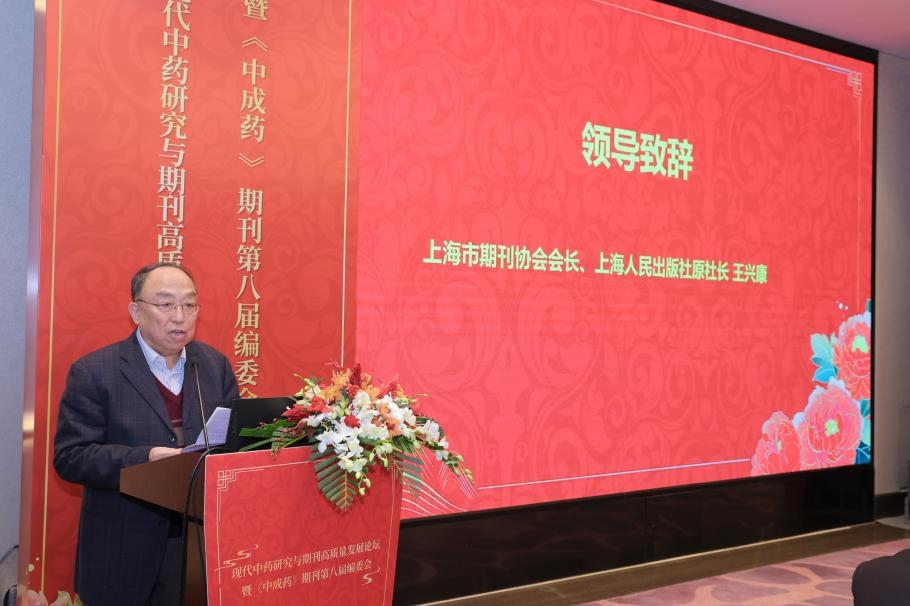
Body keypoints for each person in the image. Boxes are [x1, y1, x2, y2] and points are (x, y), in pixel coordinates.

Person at [53, 262, 239, 606]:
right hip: (122, 551)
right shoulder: (95, 371)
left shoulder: (215, 366)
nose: (179, 317)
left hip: (197, 547)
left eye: (189, 304)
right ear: (136, 312)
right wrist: (147, 458)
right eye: (165, 304)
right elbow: (71, 457)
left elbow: (233, 444)